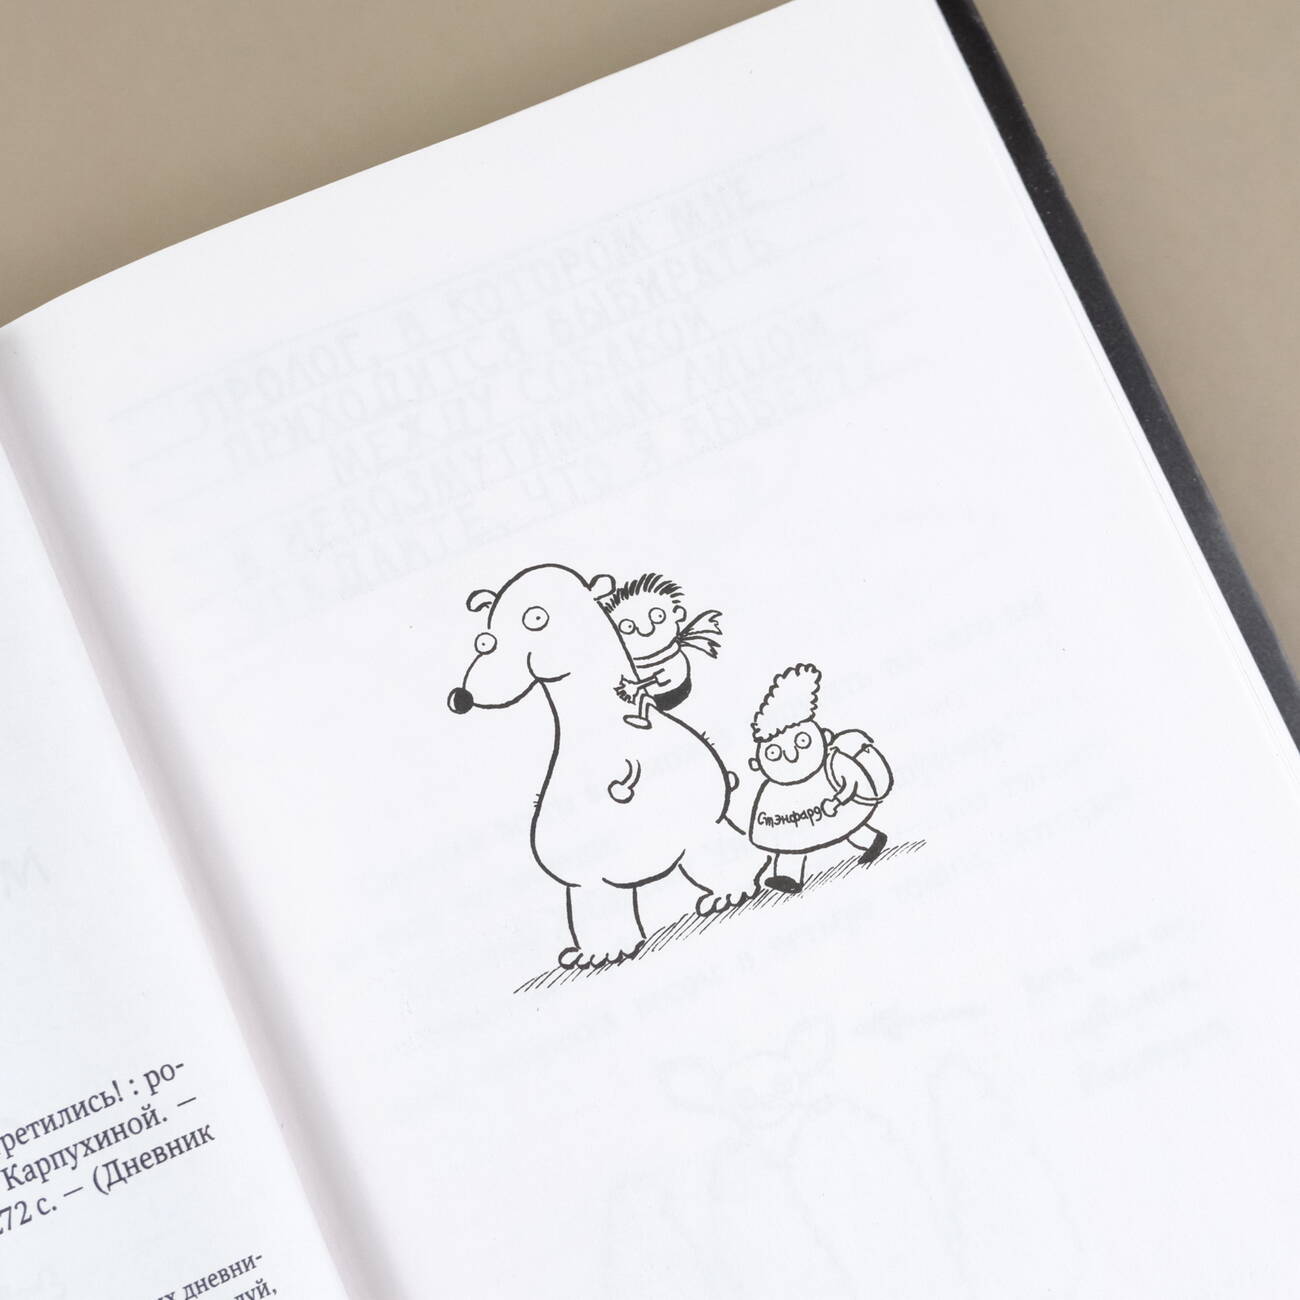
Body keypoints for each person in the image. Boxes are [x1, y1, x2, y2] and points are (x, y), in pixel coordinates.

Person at [747, 663, 892, 893]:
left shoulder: (832, 764)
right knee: (789, 843)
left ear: (824, 736)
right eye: (774, 753)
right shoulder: (773, 792)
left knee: (847, 825)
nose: (792, 756)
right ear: (757, 763)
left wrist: (839, 800)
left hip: (833, 808)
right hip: (795, 820)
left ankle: (872, 840)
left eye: (802, 741)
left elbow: (851, 782)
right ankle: (788, 877)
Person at [603, 572, 723, 729]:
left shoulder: (672, 659)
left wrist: (637, 686)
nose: (646, 630)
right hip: (650, 689)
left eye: (658, 616)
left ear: (678, 614)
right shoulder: (626, 658)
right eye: (628, 627)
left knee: (646, 700)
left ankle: (643, 716)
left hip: (673, 691)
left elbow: (664, 676)